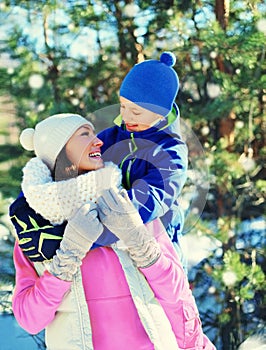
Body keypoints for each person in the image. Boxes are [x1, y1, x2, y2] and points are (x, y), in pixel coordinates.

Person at [11, 113, 216, 350]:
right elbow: (30, 320)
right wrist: (68, 255)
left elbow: (176, 294)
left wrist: (139, 241)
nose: (98, 141)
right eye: (84, 134)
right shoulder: (35, 232)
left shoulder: (127, 206)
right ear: (59, 150)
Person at [10, 51, 188, 266]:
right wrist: (27, 206)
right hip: (110, 251)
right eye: (123, 106)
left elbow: (144, 203)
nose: (127, 116)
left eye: (136, 112)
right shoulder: (112, 137)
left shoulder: (170, 152)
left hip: (154, 249)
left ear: (161, 112)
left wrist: (74, 237)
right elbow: (61, 162)